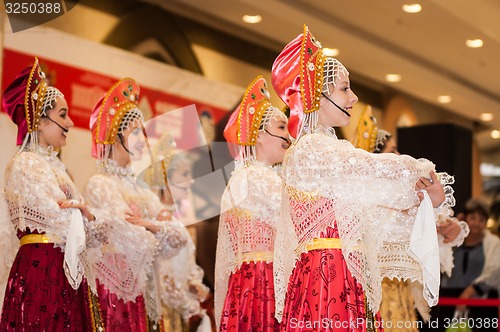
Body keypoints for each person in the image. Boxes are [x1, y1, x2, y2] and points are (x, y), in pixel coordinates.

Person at [271, 25, 455, 331]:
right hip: (327, 272)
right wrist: (418, 170)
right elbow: (367, 166)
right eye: (344, 88)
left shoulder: (324, 147)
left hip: (339, 269)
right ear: (316, 95)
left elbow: (373, 212)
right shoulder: (311, 148)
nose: (353, 97)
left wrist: (422, 199)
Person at [0, 57, 103, 331]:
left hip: (62, 271)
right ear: (40, 120)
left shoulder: (57, 168)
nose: (70, 121)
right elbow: (57, 216)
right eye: (62, 114)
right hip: (40, 271)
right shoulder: (25, 163)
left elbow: (82, 218)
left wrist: (83, 212)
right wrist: (81, 212)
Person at [82, 78, 187, 331]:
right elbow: (131, 235)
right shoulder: (100, 184)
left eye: (144, 132)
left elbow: (179, 235)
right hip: (114, 296)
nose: (144, 140)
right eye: (136, 132)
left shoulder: (142, 191)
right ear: (115, 134)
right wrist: (156, 228)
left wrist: (150, 225)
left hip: (143, 291)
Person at [353, 106, 469, 331]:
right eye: (392, 150)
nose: (398, 156)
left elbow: (431, 233)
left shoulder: (405, 196)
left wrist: (442, 227)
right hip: (374, 289)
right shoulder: (366, 200)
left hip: (400, 288)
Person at [215, 76, 291, 331]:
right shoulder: (257, 176)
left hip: (251, 281)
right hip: (263, 280)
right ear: (259, 135)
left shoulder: (248, 176)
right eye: (282, 128)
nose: (289, 137)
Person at [144, 132, 211, 332]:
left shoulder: (182, 220)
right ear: (165, 179)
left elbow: (187, 266)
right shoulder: (153, 218)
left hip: (178, 313)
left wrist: (193, 283)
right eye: (184, 175)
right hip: (159, 310)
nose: (190, 181)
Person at [436, 199, 500, 332]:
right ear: (465, 218)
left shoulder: (493, 243)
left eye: (481, 220)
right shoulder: (451, 239)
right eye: (473, 218)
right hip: (448, 301)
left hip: (481, 302)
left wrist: (470, 292)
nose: (476, 223)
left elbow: (495, 271)